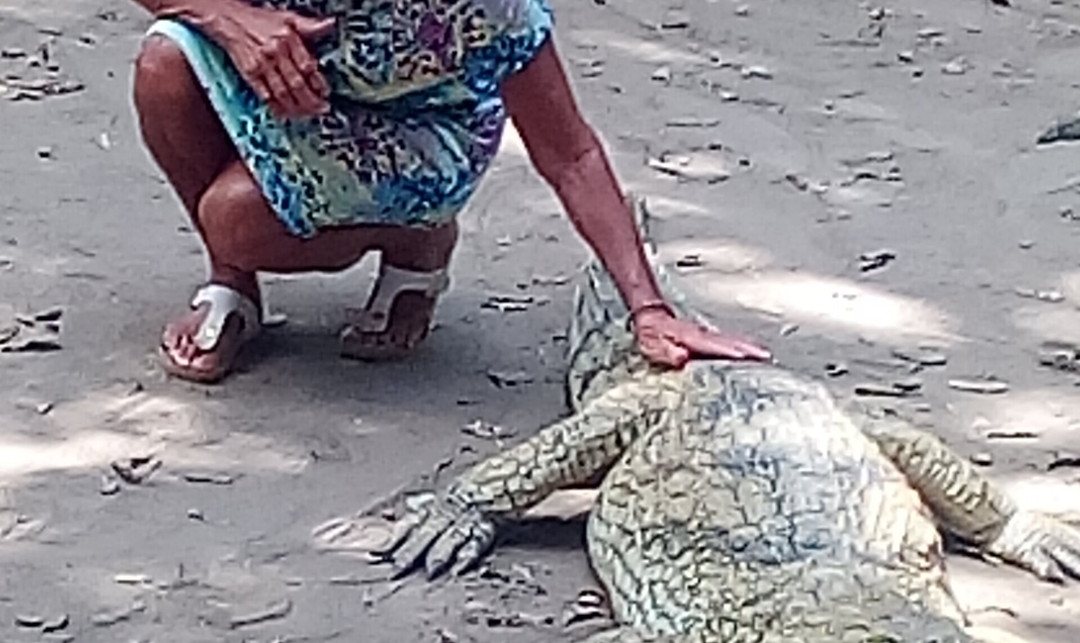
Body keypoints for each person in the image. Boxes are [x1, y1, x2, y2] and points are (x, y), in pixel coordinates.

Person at [130, 0, 770, 383]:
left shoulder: (488, 9)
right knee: (165, 59)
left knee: (237, 218)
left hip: (429, 127)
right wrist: (224, 15)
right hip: (293, 93)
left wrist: (648, 309)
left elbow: (570, 153)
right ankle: (231, 288)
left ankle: (417, 235)